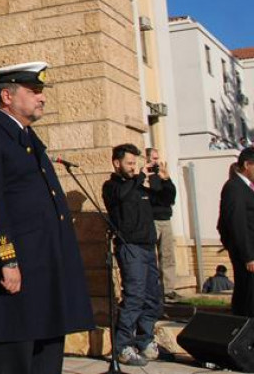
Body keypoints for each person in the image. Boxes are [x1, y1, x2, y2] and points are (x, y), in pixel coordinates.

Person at [0, 62, 93, 374]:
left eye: (41, 92)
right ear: (6, 96)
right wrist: (7, 260)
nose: (42, 98)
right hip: (18, 270)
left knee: (47, 355)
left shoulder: (28, 139)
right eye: (33, 91)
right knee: (16, 357)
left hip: (46, 267)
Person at [102, 143, 162, 367]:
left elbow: (164, 201)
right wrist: (138, 179)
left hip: (148, 246)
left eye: (135, 163)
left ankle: (145, 340)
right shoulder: (112, 186)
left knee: (151, 297)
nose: (133, 168)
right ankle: (123, 346)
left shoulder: (139, 186)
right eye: (129, 163)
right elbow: (121, 198)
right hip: (130, 247)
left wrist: (162, 180)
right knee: (134, 296)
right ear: (117, 163)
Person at [218, 147, 254, 317]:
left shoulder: (246, 187)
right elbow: (236, 223)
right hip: (248, 255)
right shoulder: (235, 187)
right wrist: (248, 255)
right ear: (247, 164)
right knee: (247, 298)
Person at [145, 147, 179, 301]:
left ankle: (169, 290)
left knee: (168, 255)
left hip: (165, 219)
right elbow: (153, 197)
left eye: (157, 158)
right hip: (152, 219)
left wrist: (166, 179)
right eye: (153, 158)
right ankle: (153, 290)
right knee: (151, 256)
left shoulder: (162, 176)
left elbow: (170, 197)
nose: (156, 162)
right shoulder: (145, 177)